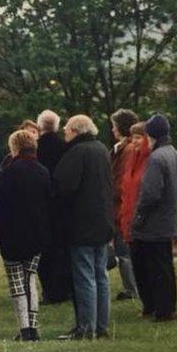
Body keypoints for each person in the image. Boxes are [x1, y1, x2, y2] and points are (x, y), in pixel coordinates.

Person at [53, 115, 115, 340]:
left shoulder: (77, 153)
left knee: (84, 276)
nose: (65, 135)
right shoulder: (101, 149)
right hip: (103, 221)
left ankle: (86, 327)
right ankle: (101, 326)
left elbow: (64, 187)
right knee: (101, 276)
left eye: (67, 131)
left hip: (82, 223)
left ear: (76, 131)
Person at [0, 130, 51, 341]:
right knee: (30, 279)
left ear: (15, 148)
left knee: (16, 282)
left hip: (12, 234)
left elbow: (0, 207)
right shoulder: (43, 172)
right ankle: (34, 326)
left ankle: (24, 328)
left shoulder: (7, 174)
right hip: (37, 234)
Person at [131, 114, 177, 322]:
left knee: (153, 267)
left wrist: (140, 215)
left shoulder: (156, 157)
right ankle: (168, 306)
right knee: (165, 265)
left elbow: (150, 193)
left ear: (151, 135)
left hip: (153, 224)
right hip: (169, 219)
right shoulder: (174, 154)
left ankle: (161, 309)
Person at [35, 109, 73, 305]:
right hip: (61, 205)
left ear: (40, 125)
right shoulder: (64, 147)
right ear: (57, 126)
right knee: (61, 249)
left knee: (45, 252)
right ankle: (63, 289)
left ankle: (49, 290)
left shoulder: (36, 147)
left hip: (42, 205)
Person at [109, 109, 142, 301]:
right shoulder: (124, 148)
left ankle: (132, 288)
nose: (112, 129)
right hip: (120, 205)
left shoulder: (126, 150)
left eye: (114, 125)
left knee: (124, 251)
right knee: (123, 250)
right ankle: (131, 287)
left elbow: (121, 181)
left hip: (121, 207)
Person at [118, 123, 151, 245]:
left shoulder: (151, 161)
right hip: (130, 220)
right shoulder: (131, 159)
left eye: (138, 137)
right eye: (133, 137)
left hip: (143, 224)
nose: (134, 141)